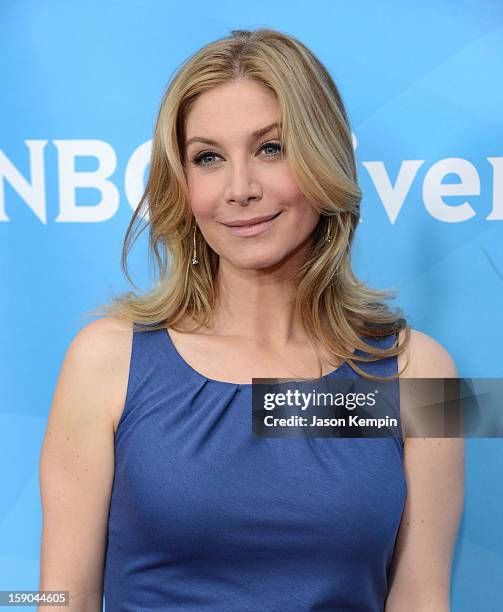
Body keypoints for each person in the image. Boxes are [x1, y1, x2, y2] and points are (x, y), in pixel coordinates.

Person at [38, 28, 464, 611]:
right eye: (208, 158)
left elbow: (421, 595)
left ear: (324, 158)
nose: (240, 189)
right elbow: (65, 599)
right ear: (181, 182)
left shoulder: (424, 376)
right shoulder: (104, 360)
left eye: (271, 148)